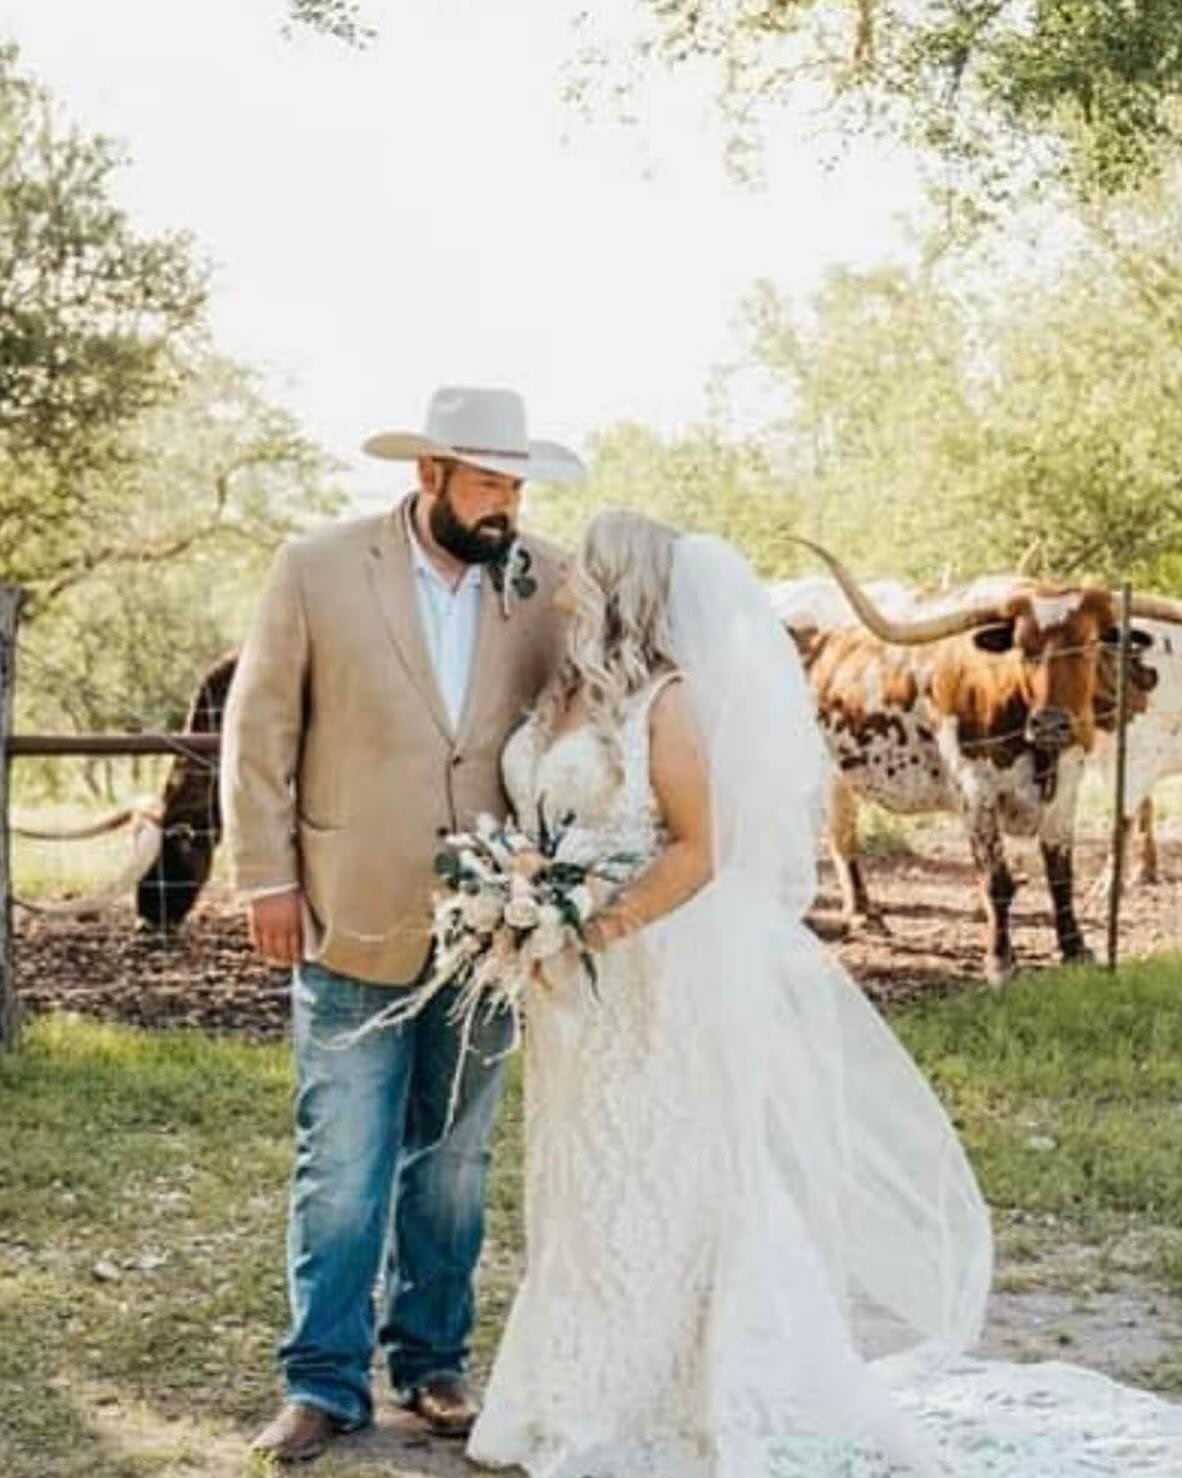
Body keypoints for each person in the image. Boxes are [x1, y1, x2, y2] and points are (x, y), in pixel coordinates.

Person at [466, 509, 1182, 1477]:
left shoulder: (667, 704)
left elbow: (699, 846)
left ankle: (691, 1381)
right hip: (567, 996)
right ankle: (576, 1383)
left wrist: (588, 924)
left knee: (665, 1167)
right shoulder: (559, 694)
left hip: (647, 974)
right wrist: (515, 904)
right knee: (580, 1173)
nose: (554, 589)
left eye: (573, 575)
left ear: (615, 589)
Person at [219, 385, 582, 1463]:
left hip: (493, 932)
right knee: (341, 1159)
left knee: (457, 1160)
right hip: (345, 908)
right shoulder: (318, 567)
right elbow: (261, 726)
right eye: (487, 482)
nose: (505, 503)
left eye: (515, 483)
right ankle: (322, 1382)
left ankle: (430, 1360)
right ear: (427, 475)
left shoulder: (548, 580)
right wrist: (262, 878)